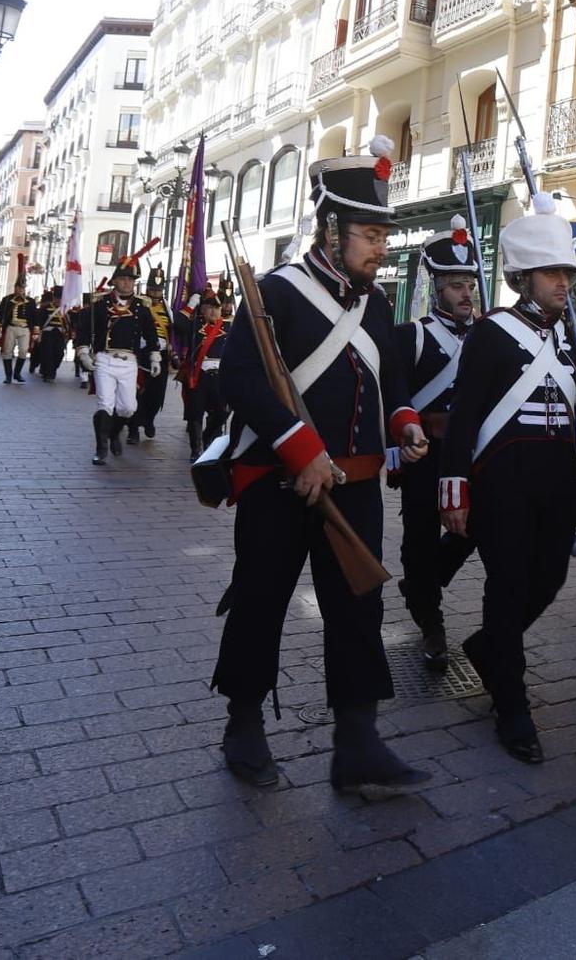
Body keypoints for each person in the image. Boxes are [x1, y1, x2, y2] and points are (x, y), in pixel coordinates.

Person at [209, 138, 430, 792]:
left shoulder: (379, 304)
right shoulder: (274, 292)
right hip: (280, 484)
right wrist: (300, 449)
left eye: (382, 234)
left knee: (359, 611)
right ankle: (243, 724)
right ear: (330, 230)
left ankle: (357, 743)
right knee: (260, 601)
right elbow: (240, 381)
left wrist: (405, 422)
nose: (379, 247)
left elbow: (392, 378)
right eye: (368, 233)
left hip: (356, 485)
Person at [437, 194, 576, 764]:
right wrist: (454, 489)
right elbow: (465, 419)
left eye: (567, 272)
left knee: (547, 581)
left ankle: (489, 651)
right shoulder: (493, 333)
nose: (563, 282)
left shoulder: (568, 339)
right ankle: (512, 704)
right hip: (502, 486)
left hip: (555, 486)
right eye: (553, 272)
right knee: (505, 588)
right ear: (523, 277)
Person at [392, 218, 482, 670]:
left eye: (469, 283)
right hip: (425, 455)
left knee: (475, 525)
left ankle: (424, 581)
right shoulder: (412, 337)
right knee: (419, 539)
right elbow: (394, 396)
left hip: (469, 455)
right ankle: (432, 625)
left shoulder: (487, 338)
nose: (466, 293)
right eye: (455, 284)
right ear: (436, 287)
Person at [88, 256, 161, 463]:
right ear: (115, 280)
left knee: (128, 407)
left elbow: (151, 335)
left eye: (131, 279)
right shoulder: (100, 303)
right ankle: (101, 448)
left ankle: (113, 433)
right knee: (105, 403)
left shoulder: (141, 306)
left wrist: (155, 357)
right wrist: (84, 352)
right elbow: (86, 329)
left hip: (129, 362)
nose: (127, 283)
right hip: (105, 359)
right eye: (122, 278)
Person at [176, 293, 230, 460]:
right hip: (199, 376)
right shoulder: (194, 326)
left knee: (221, 413)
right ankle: (195, 450)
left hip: (220, 377)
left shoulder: (229, 327)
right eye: (209, 308)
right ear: (202, 310)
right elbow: (177, 325)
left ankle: (208, 438)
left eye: (217, 308)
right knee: (195, 414)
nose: (213, 312)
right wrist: (190, 305)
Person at [128, 269, 175, 443]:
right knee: (136, 392)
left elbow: (172, 330)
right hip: (141, 353)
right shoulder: (138, 304)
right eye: (152, 289)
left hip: (161, 354)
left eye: (159, 290)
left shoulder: (166, 308)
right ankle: (133, 429)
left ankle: (149, 420)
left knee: (156, 393)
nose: (156, 293)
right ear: (146, 288)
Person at [0, 279, 33, 383]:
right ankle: (8, 376)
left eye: (22, 288)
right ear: (15, 288)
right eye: (18, 287)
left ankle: (17, 373)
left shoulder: (31, 301)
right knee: (7, 351)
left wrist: (36, 331)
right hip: (11, 328)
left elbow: (34, 317)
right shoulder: (7, 300)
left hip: (25, 329)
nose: (20, 290)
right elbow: (0, 314)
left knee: (24, 351)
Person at [31, 289, 67, 381]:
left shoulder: (64, 309)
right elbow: (39, 321)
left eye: (60, 299)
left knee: (59, 353)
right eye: (56, 298)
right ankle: (49, 374)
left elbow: (67, 323)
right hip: (48, 333)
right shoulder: (46, 308)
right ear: (53, 298)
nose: (58, 300)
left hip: (59, 334)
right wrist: (37, 332)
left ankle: (51, 370)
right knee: (47, 354)